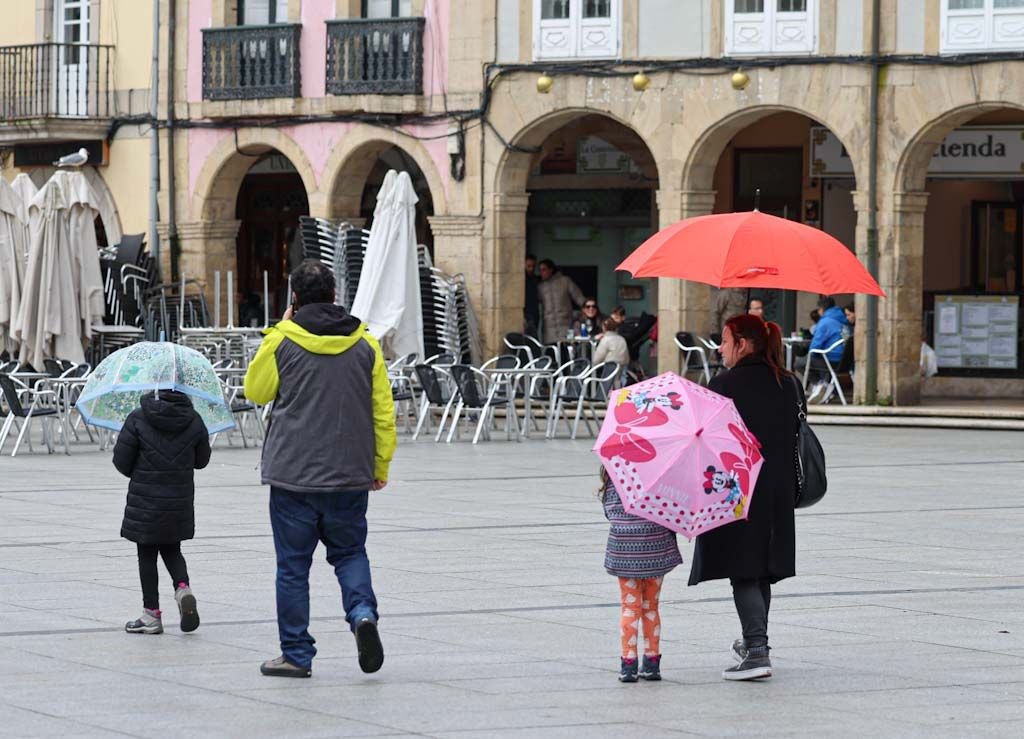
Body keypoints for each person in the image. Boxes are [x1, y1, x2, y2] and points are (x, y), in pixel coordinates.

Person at [244, 259, 397, 678]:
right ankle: (363, 614)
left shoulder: (282, 341)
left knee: (292, 567)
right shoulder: (365, 343)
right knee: (349, 552)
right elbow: (383, 412)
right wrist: (379, 464)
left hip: (292, 474)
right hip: (350, 472)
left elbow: (255, 391)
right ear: (334, 296)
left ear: (293, 298)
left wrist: (277, 330)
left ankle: (296, 654)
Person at [688, 314, 800, 682]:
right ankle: (756, 642)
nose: (720, 348)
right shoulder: (790, 383)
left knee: (744, 569)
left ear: (744, 343)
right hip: (779, 489)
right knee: (761, 567)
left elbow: (702, 436)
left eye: (724, 340)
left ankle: (756, 651)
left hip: (738, 488)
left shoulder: (723, 385)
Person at [114, 390, 211, 635]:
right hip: (178, 500)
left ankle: (151, 614)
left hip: (145, 500)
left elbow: (121, 462)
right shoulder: (194, 419)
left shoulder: (138, 418)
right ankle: (182, 588)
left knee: (146, 553)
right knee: (172, 548)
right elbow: (202, 461)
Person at [600, 467, 682, 682]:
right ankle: (652, 663)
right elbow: (671, 512)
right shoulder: (660, 474)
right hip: (656, 548)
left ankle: (628, 665)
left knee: (630, 606)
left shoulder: (615, 474)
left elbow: (609, 512)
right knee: (651, 606)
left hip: (625, 549)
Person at [807, 296, 850, 401]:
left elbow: (815, 345)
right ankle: (825, 387)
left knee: (801, 362)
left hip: (831, 359)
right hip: (845, 360)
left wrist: (809, 351)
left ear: (821, 309)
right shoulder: (843, 319)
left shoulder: (825, 322)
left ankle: (822, 385)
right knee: (813, 359)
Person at [537, 259, 585, 344]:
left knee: (566, 353)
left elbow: (579, 298)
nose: (541, 272)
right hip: (548, 330)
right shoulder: (540, 286)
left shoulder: (565, 281)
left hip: (566, 326)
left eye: (544, 269)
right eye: (540, 270)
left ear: (551, 269)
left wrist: (584, 313)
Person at [593, 317, 629, 382]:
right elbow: (626, 358)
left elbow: (596, 360)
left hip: (608, 370)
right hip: (621, 370)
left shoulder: (605, 340)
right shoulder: (622, 339)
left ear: (604, 328)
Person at [524, 253, 540, 338]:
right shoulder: (521, 279)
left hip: (535, 313)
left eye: (533, 266)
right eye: (528, 266)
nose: (531, 269)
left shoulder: (535, 279)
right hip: (526, 314)